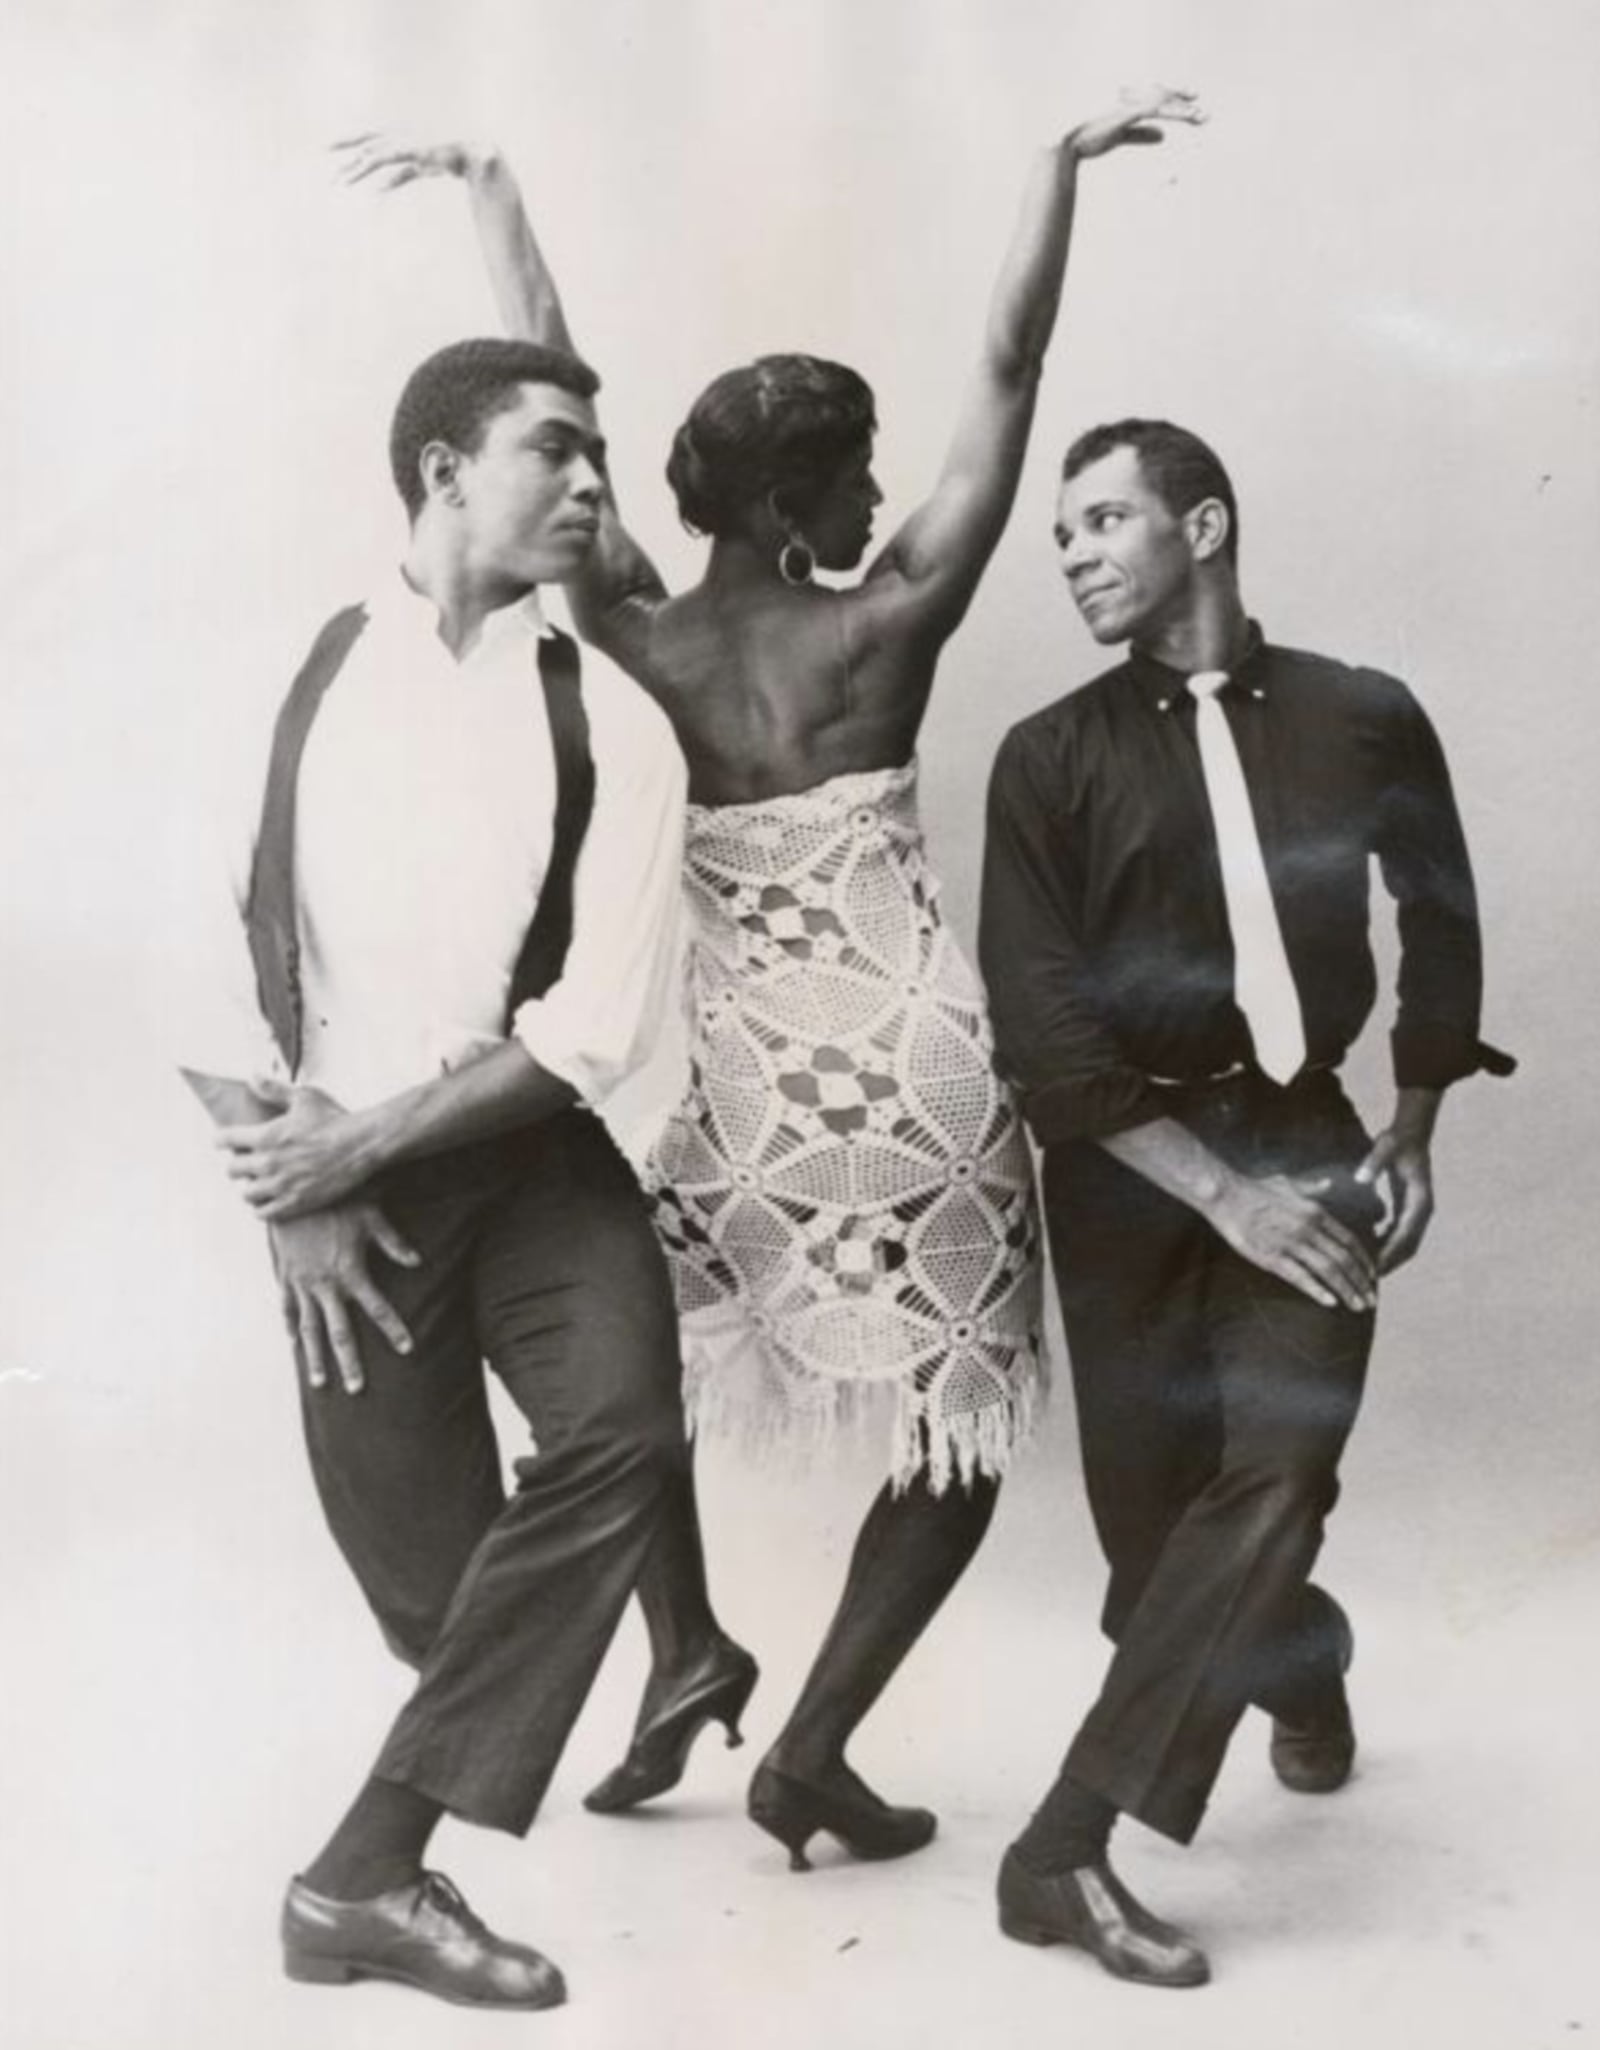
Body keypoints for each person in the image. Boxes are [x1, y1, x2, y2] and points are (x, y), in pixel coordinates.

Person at [280, 91, 1203, 1872]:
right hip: (913, 1062)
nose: (876, 496)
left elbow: (546, 379)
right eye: (851, 477)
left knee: (630, 1389)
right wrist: (1051, 170)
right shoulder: (887, 619)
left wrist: (496, 186)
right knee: (964, 1408)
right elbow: (1011, 368)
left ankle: (690, 1641)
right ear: (801, 503)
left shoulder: (627, 618)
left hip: (716, 1085)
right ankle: (816, 1744)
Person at [182, 334, 694, 2009]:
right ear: (443, 469)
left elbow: (591, 1028)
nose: (593, 486)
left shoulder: (617, 719)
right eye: (557, 449)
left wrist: (361, 1144)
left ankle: (360, 1879)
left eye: (599, 457)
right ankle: (406, 1844)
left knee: (620, 1428)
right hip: (339, 1191)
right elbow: (188, 935)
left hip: (526, 1160)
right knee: (444, 1590)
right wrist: (302, 1183)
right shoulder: (297, 663)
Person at [978, 418, 1513, 1986]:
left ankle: (1059, 1848)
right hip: (1132, 1170)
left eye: (1101, 519)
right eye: (1060, 531)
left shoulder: (1362, 714)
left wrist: (1411, 1121)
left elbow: (1442, 905)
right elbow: (1046, 1033)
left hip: (1305, 1139)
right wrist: (1220, 1198)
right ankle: (1307, 1655)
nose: (1070, 551)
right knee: (1155, 1562)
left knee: (1274, 1469)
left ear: (1201, 526)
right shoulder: (1049, 755)